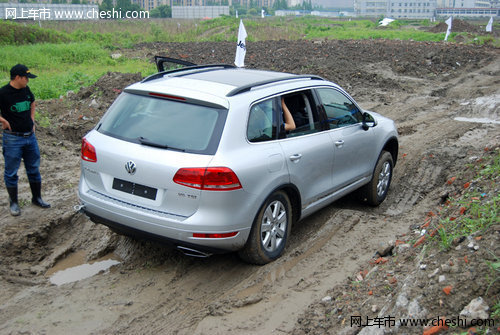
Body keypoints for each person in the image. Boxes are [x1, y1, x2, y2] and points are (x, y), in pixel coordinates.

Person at [0, 64, 50, 216]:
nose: (28, 81)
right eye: (26, 78)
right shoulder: (3, 93)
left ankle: (37, 198)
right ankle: (14, 203)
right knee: (11, 172)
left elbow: (32, 102)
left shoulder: (26, 90)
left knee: (34, 169)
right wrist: (2, 120)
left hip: (30, 137)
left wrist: (32, 119)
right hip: (13, 138)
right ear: (17, 77)